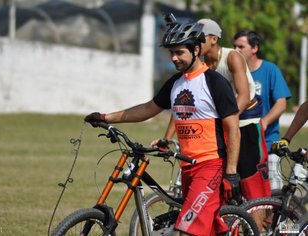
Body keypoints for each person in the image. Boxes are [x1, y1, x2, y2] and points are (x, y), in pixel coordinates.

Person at [85, 15, 241, 236]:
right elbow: (148, 108)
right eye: (171, 53)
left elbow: (233, 128)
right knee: (207, 226)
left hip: (210, 166)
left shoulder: (215, 83)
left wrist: (232, 172)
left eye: (179, 52)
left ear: (196, 50)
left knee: (187, 228)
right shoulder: (175, 83)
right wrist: (106, 117)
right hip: (187, 167)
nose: (174, 58)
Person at [161, 19, 271, 202]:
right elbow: (183, 104)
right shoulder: (196, 65)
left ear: (214, 38)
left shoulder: (232, 57)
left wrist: (223, 119)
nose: (196, 41)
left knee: (251, 186)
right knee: (222, 190)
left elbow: (243, 96)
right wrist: (167, 137)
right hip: (221, 127)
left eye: (200, 38)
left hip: (244, 123)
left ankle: (257, 229)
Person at [233, 30, 292, 190]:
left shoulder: (270, 70)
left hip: (267, 142)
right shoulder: (234, 73)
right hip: (241, 143)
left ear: (255, 48)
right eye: (234, 47)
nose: (236, 51)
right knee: (245, 194)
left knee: (272, 194)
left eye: (241, 47)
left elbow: (281, 103)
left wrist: (264, 122)